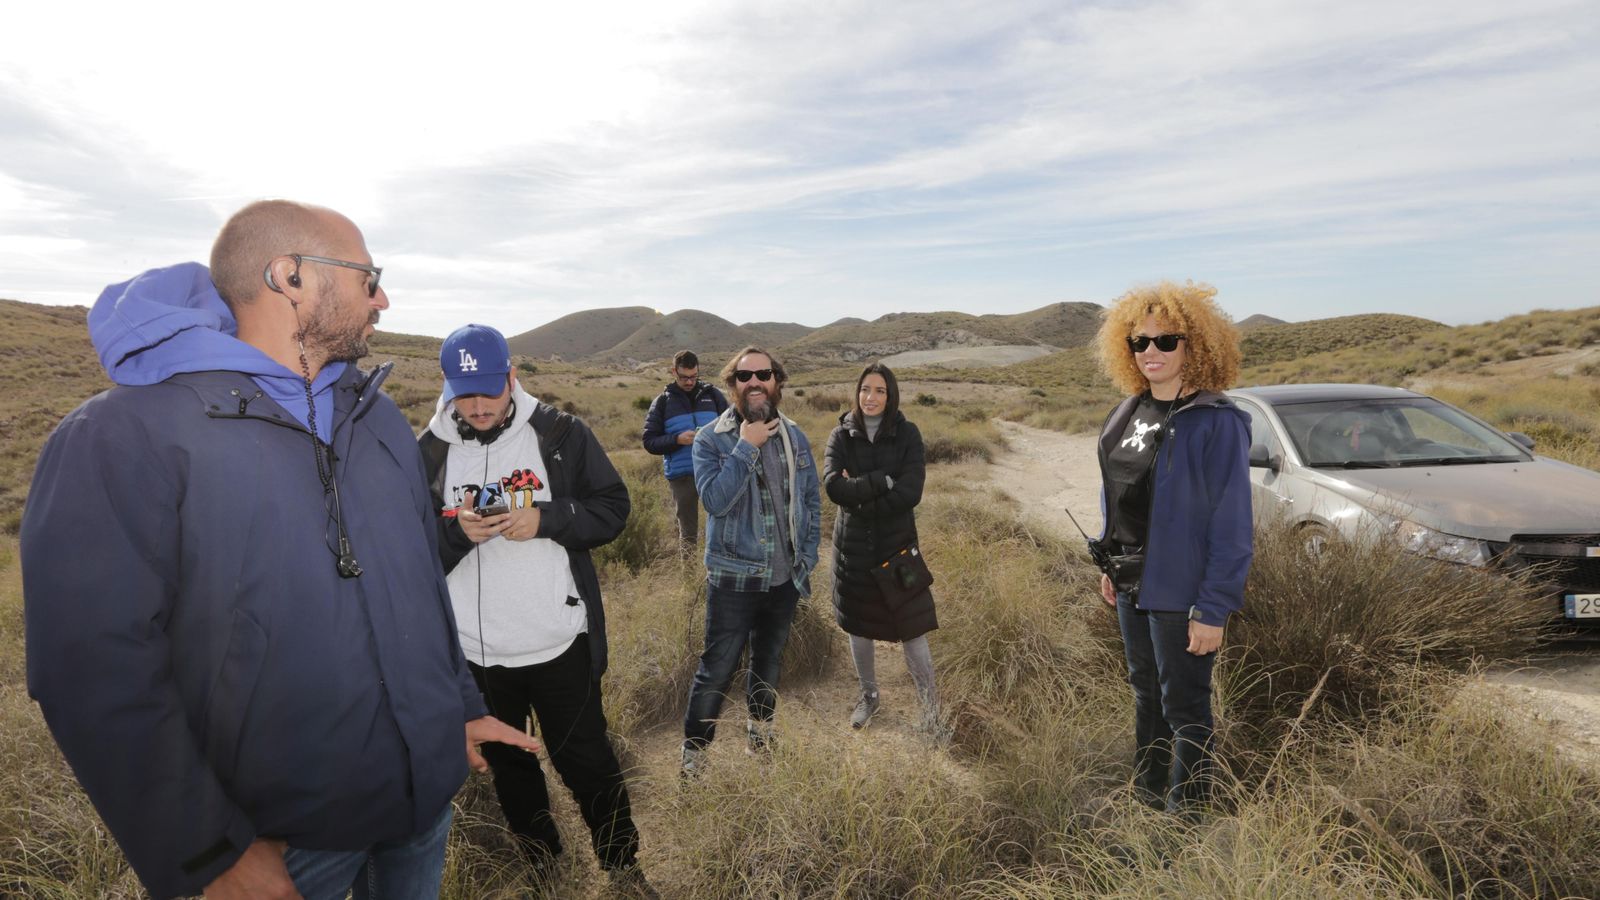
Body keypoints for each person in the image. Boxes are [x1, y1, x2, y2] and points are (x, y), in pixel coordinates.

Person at [19, 200, 539, 900]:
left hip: (420, 804)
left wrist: (459, 706)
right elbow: (93, 671)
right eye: (367, 276)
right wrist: (206, 854)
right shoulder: (119, 438)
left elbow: (419, 586)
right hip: (279, 846)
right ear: (290, 276)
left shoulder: (376, 416)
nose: (382, 298)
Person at [417, 323, 655, 897]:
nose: (475, 406)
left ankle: (622, 868)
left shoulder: (560, 434)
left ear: (512, 379)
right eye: (463, 394)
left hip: (557, 641)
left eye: (488, 391)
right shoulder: (427, 452)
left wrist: (546, 519)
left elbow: (613, 507)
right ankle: (545, 869)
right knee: (514, 774)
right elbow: (408, 549)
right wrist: (456, 535)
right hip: (477, 656)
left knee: (588, 764)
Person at [1091, 280, 1253, 816]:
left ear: (1196, 345)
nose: (1152, 353)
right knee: (1146, 695)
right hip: (1132, 581)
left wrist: (1213, 608)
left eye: (1166, 341)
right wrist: (1110, 559)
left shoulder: (1216, 421)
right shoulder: (1127, 412)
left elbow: (1231, 526)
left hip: (1180, 591)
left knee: (1185, 708)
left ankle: (1187, 821)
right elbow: (1120, 495)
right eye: (1140, 342)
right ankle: (1148, 795)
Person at [679, 346, 821, 775]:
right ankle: (694, 762)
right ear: (733, 386)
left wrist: (807, 556)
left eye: (763, 374)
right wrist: (746, 446)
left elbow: (811, 500)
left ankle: (760, 735)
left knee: (768, 661)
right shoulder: (711, 439)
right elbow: (715, 502)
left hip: (784, 579)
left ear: (776, 381)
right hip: (734, 579)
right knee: (716, 669)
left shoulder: (795, 435)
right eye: (745, 377)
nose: (754, 382)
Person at [822, 363, 946, 740]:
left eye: (879, 391)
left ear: (890, 396)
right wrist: (880, 482)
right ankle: (869, 695)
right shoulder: (840, 435)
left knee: (913, 628)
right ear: (856, 393)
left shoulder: (907, 434)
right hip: (853, 551)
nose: (870, 398)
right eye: (864, 389)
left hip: (898, 550)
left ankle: (931, 710)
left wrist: (858, 494)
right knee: (858, 627)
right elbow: (832, 487)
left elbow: (911, 493)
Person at [641, 349, 728, 547]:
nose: (689, 382)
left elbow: (733, 427)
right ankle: (688, 577)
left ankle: (719, 575)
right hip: (682, 476)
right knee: (688, 534)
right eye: (684, 377)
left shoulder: (713, 395)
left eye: (693, 377)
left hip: (715, 472)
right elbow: (649, 441)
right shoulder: (662, 402)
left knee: (723, 527)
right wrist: (677, 440)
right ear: (674, 372)